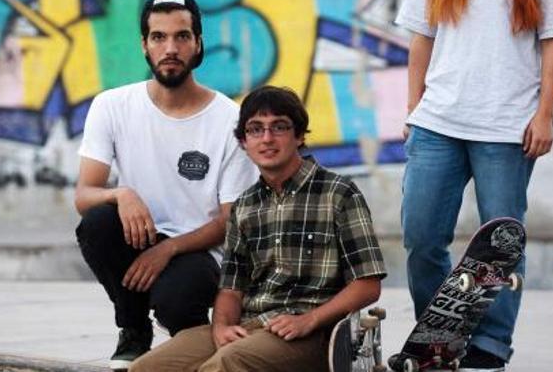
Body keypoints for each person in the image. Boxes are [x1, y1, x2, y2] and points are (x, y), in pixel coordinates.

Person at [395, 0, 553, 370]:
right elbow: (421, 39)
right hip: (439, 123)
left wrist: (544, 115)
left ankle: (490, 346)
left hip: (507, 128)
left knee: (501, 247)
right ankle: (437, 338)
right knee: (421, 236)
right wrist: (414, 107)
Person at [129, 86, 387, 372]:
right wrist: (222, 327)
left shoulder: (339, 193)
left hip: (313, 333)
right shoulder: (244, 206)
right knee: (147, 367)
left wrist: (308, 321)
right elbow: (231, 288)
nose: (267, 139)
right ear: (243, 142)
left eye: (279, 127)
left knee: (226, 363)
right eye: (255, 129)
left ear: (299, 136)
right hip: (249, 325)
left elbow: (368, 284)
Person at [74, 0, 258, 371]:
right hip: (138, 234)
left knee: (179, 296)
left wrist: (168, 250)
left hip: (201, 250)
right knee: (97, 223)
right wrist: (121, 193)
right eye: (158, 37)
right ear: (144, 45)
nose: (170, 48)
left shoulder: (229, 119)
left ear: (198, 43)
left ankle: (192, 345)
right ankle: (134, 330)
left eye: (181, 36)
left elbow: (230, 221)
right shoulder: (112, 106)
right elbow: (84, 195)